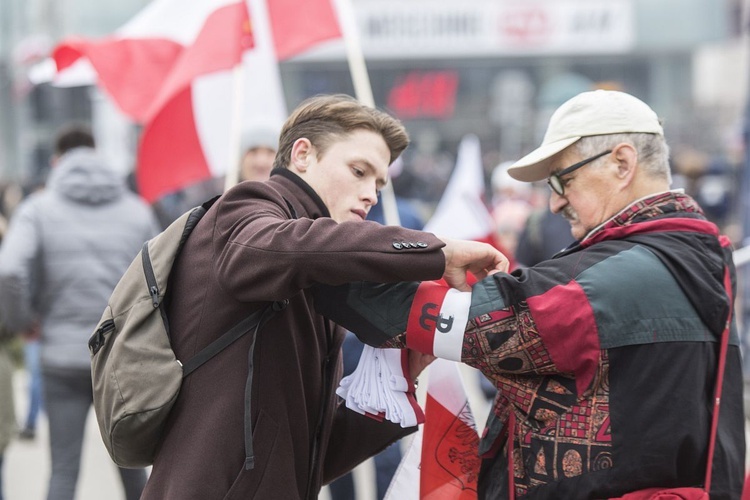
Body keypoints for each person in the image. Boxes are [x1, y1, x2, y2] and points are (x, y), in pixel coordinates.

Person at [312, 90, 746, 498]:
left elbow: (449, 316)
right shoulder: (697, 254)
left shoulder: (621, 275)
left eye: (562, 180)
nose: (555, 203)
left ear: (621, 163)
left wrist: (299, 250)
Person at [139, 94, 506, 499]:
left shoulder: (318, 266)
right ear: (302, 155)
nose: (371, 195)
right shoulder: (244, 207)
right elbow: (290, 245)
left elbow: (312, 459)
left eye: (379, 183)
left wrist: (398, 379)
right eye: (358, 171)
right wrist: (437, 251)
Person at [0, 124, 160, 500]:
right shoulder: (136, 211)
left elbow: (8, 271)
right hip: (122, 358)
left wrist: (24, 323)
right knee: (134, 470)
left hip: (61, 355)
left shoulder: (37, 209)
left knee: (64, 469)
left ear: (57, 161)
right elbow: (161, 279)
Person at [152, 122, 280, 228]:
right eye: (253, 152)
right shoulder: (215, 200)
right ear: (240, 158)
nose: (261, 161)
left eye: (269, 152)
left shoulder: (286, 201)